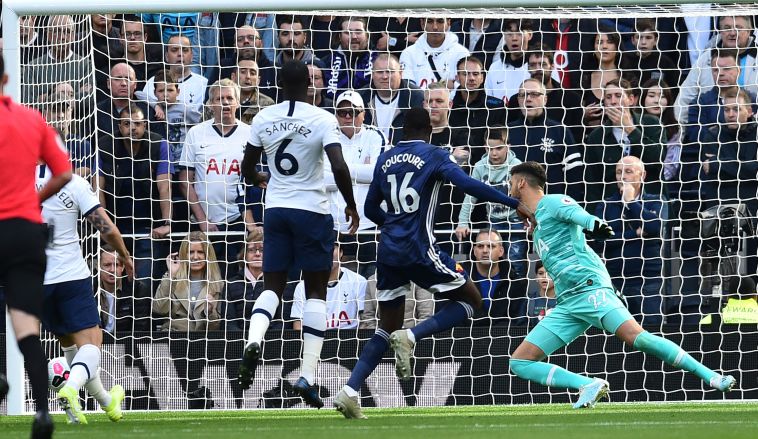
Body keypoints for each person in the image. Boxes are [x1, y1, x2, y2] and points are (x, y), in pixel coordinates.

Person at [333, 108, 534, 419]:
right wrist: (513, 202)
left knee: (386, 324)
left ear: (402, 131)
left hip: (387, 250)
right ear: (428, 129)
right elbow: (467, 185)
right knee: (472, 299)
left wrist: (395, 224)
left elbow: (371, 207)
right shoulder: (435, 155)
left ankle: (350, 391)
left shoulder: (385, 159)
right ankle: (412, 336)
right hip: (418, 248)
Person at [506, 161, 735, 410]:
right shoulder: (536, 223)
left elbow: (578, 214)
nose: (508, 188)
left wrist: (595, 224)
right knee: (520, 362)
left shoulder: (552, 202)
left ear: (520, 182)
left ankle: (712, 377)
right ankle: (587, 384)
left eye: (510, 183)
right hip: (568, 302)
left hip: (590, 288)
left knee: (638, 338)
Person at [239, 60, 360, 408]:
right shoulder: (322, 118)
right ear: (310, 83)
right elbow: (338, 165)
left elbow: (247, 166)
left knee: (272, 286)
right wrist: (351, 204)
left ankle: (255, 339)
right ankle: (306, 374)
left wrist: (260, 178)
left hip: (276, 210)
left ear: (276, 82)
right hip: (313, 212)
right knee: (316, 291)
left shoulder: (263, 118)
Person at [0, 53, 73, 439]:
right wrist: (35, 198)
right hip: (27, 230)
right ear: (6, 76)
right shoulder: (32, 118)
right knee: (26, 325)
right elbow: (64, 171)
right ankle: (43, 412)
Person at [36, 164, 133, 425]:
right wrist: (124, 256)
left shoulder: (16, 184)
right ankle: (70, 387)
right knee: (91, 344)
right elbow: (107, 228)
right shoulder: (74, 183)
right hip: (70, 277)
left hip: (36, 281)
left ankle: (97, 405)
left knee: (70, 346)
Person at [179, 79, 254, 269]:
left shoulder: (251, 134)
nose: (225, 103)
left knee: (236, 277)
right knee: (208, 279)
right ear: (211, 104)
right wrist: (202, 220)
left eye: (230, 98)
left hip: (239, 220)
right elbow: (185, 181)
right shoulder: (196, 133)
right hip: (204, 221)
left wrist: (250, 221)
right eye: (220, 98)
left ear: (237, 102)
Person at [595, 156, 666, 325]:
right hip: (614, 281)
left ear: (642, 175)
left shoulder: (655, 200)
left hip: (647, 281)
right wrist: (635, 234)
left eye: (628, 171)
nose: (622, 177)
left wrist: (631, 202)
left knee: (651, 331)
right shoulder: (605, 205)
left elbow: (655, 228)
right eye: (619, 172)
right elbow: (600, 239)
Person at [326, 91, 387, 278]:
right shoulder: (328, 136)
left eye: (352, 112)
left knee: (372, 283)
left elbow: (377, 174)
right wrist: (361, 170)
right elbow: (322, 180)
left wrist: (339, 169)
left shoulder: (376, 136)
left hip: (369, 226)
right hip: (335, 226)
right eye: (341, 112)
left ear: (363, 114)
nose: (346, 116)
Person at [455, 127, 526, 277]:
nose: (493, 153)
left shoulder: (516, 166)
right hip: (493, 221)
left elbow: (526, 196)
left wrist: (529, 218)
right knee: (491, 261)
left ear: (508, 146)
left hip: (515, 221)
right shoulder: (480, 166)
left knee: (515, 261)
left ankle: (516, 293)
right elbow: (470, 196)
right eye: (489, 148)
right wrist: (462, 222)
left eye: (499, 148)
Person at [584, 78, 665, 208]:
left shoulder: (652, 123)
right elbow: (592, 182)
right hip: (611, 208)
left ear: (631, 100)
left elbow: (657, 158)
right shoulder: (596, 137)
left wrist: (629, 128)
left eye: (618, 95)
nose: (613, 101)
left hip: (650, 204)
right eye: (608, 97)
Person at [153, 231, 223, 331]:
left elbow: (216, 328)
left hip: (204, 341)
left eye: (200, 252)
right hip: (174, 338)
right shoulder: (172, 278)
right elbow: (158, 309)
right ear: (183, 254)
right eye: (190, 252)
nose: (195, 257)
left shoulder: (218, 285)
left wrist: (210, 312)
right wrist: (171, 276)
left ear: (208, 255)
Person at [291, 243, 368, 330]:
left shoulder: (358, 281)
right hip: (315, 339)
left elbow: (366, 321)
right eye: (323, 248)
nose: (328, 252)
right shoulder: (302, 286)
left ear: (341, 252)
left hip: (350, 340)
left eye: (332, 248)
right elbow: (298, 325)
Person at [462, 230, 528, 326]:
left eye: (491, 246)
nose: (485, 250)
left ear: (501, 251)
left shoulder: (514, 281)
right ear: (474, 251)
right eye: (480, 246)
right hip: (465, 337)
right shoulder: (460, 279)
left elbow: (517, 322)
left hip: (503, 337)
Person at [358, 53, 424, 141]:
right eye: (380, 72)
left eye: (390, 72)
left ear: (400, 73)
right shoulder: (360, 98)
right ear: (373, 75)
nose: (384, 76)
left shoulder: (415, 97)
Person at [399, 17, 470, 89]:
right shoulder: (408, 53)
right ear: (422, 23)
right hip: (418, 100)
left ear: (448, 23)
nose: (435, 27)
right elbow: (408, 89)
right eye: (430, 21)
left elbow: (463, 90)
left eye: (440, 21)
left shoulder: (462, 53)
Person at [96, 244, 152, 334]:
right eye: (107, 265)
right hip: (97, 343)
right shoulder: (90, 289)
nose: (112, 270)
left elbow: (140, 329)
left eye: (117, 265)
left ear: (122, 267)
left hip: (126, 343)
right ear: (98, 267)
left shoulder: (138, 290)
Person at [485, 18, 535, 102]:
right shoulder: (495, 68)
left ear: (529, 35)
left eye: (519, 33)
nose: (514, 38)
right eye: (510, 33)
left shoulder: (541, 66)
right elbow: (489, 100)